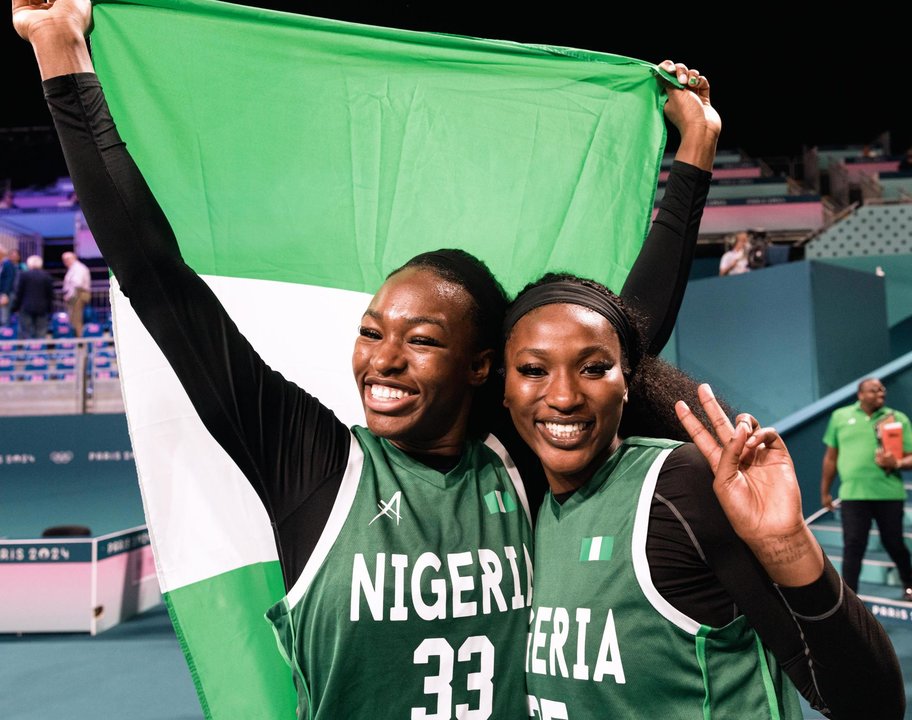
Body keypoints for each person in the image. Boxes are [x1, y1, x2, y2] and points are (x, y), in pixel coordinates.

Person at [14, 0, 720, 716]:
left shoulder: (519, 458)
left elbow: (626, 335)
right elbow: (157, 279)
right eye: (372, 331)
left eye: (420, 340)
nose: (382, 360)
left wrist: (694, 151)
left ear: (480, 365)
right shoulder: (310, 459)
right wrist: (59, 51)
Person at [502, 274, 905, 719]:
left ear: (628, 381)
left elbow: (872, 705)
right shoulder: (531, 511)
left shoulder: (680, 484)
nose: (563, 396)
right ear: (503, 386)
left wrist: (786, 542)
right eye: (533, 369)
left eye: (594, 368)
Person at [821, 377, 912, 600]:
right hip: (853, 495)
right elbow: (831, 458)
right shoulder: (840, 416)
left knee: (894, 543)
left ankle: (909, 585)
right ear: (861, 394)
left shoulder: (897, 419)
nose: (881, 392)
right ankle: (849, 599)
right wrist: (825, 490)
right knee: (853, 544)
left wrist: (897, 463)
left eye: (882, 389)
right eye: (874, 390)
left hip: (888, 493)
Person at [11, 255, 55, 339]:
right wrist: (50, 309)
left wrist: (15, 307)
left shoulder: (24, 275)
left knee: (27, 333)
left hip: (26, 308)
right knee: (41, 333)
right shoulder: (46, 276)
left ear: (29, 264)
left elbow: (19, 292)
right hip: (42, 309)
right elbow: (50, 295)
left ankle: (28, 350)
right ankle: (40, 350)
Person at [61, 250, 91, 336]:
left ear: (73, 258)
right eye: (64, 259)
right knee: (74, 318)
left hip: (79, 294)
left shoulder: (78, 268)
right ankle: (77, 338)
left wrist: (69, 295)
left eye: (67, 259)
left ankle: (80, 340)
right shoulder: (74, 268)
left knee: (77, 318)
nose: (65, 261)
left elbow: (77, 284)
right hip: (77, 294)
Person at [0, 245, 18, 326]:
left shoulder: (7, 264)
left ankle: (5, 336)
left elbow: (9, 280)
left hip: (5, 294)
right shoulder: (2, 264)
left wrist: (5, 294)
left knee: (4, 316)